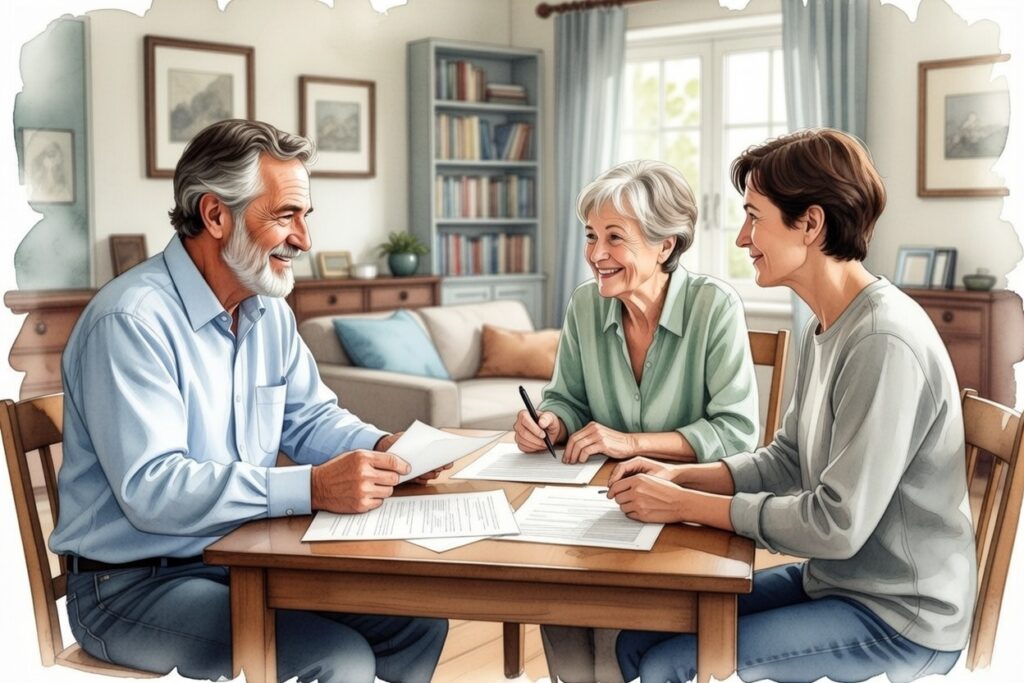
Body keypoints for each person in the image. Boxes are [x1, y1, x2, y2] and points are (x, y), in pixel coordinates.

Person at [49, 119, 448, 683]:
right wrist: (309, 488)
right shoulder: (131, 321)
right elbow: (153, 489)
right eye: (285, 215)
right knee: (336, 657)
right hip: (130, 586)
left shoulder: (268, 312)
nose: (305, 240)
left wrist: (389, 450)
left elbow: (308, 418)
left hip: (244, 560)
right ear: (215, 215)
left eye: (305, 216)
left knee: (416, 622)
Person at [611, 128, 975, 683]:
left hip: (901, 615)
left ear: (810, 223)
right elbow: (788, 460)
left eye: (754, 217)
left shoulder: (883, 340)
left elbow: (836, 525)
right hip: (840, 583)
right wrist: (683, 477)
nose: (741, 238)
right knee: (635, 636)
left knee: (670, 664)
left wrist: (682, 505)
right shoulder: (825, 322)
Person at [513, 160, 760, 683]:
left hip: (686, 515)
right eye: (590, 236)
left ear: (664, 245)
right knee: (552, 591)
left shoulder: (714, 307)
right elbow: (567, 399)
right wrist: (551, 423)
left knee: (612, 641)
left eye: (615, 238)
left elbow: (737, 433)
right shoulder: (584, 305)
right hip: (595, 506)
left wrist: (630, 442)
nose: (595, 255)